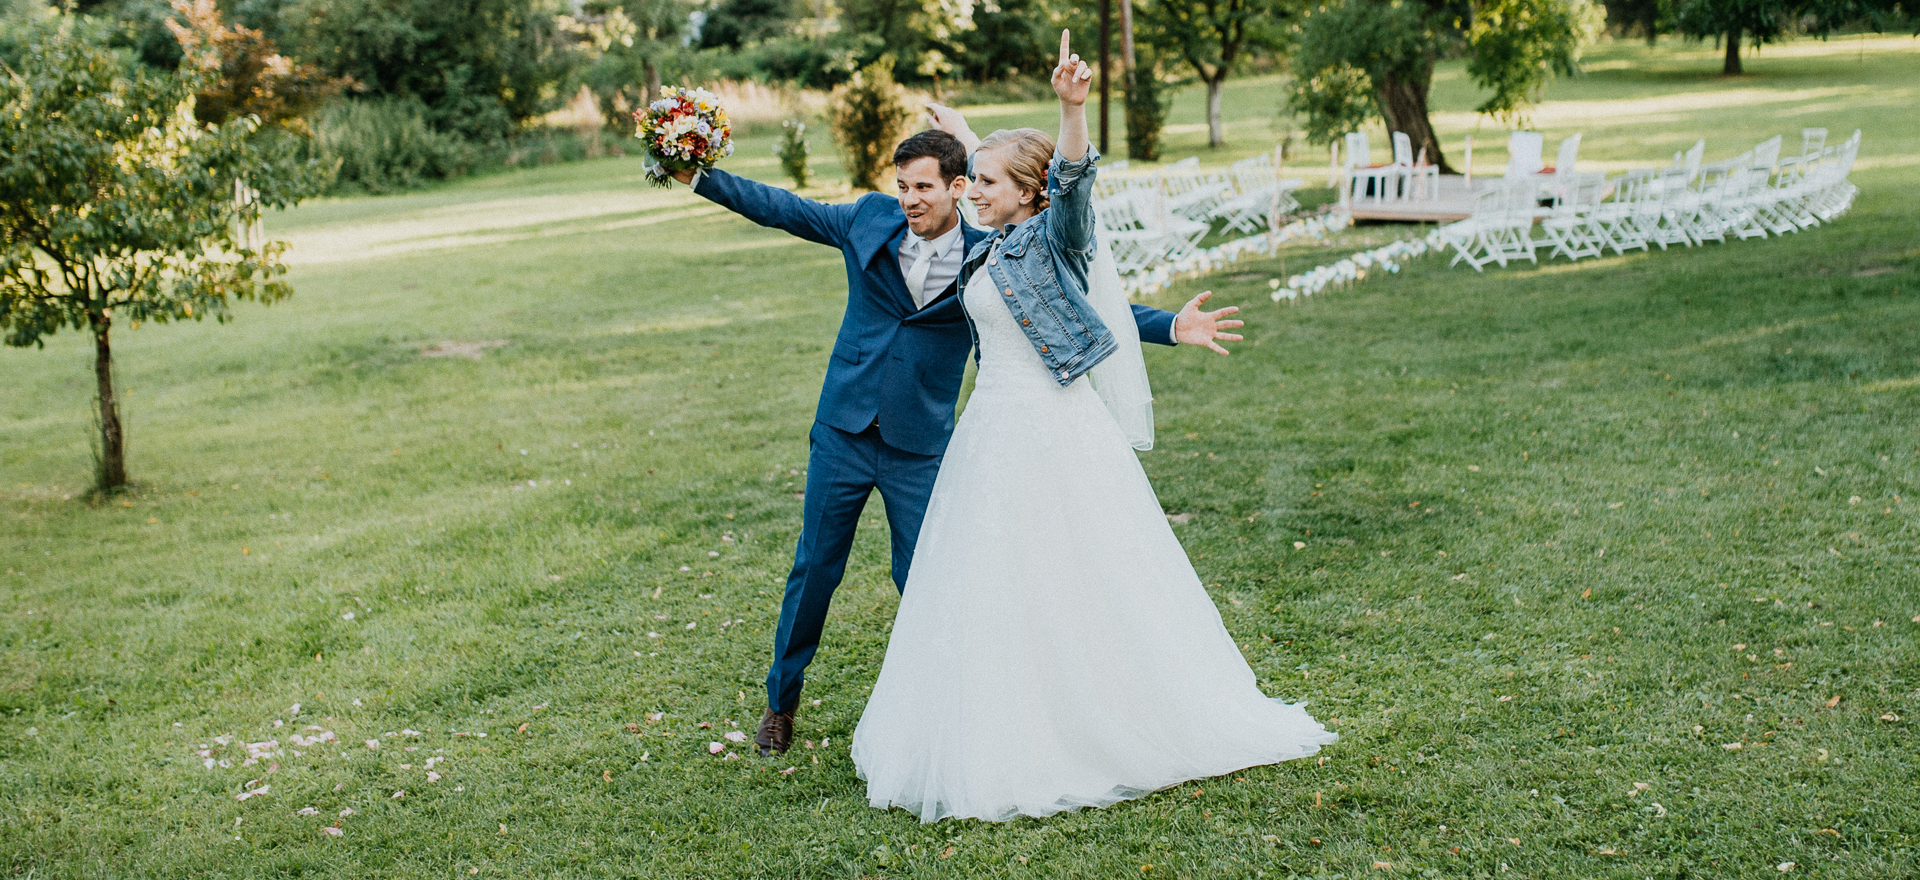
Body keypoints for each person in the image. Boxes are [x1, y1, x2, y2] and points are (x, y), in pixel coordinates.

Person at [849, 32, 1336, 822]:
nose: (972, 190)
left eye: (987, 182)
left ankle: (1096, 719)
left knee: (1078, 574)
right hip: (990, 436)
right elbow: (1008, 187)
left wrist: (1071, 110)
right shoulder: (992, 245)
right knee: (993, 582)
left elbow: (1069, 181)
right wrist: (972, 134)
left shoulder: (1054, 235)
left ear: (1030, 194)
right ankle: (1006, 712)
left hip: (1056, 434)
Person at [668, 95, 1246, 758]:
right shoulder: (867, 220)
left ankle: (948, 706)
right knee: (815, 570)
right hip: (845, 430)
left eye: (924, 187)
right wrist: (698, 174)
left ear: (958, 186)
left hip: (922, 443)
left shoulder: (991, 248)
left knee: (932, 577)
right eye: (903, 187)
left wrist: (1169, 325)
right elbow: (782, 208)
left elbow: (1077, 299)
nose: (911, 200)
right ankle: (780, 703)